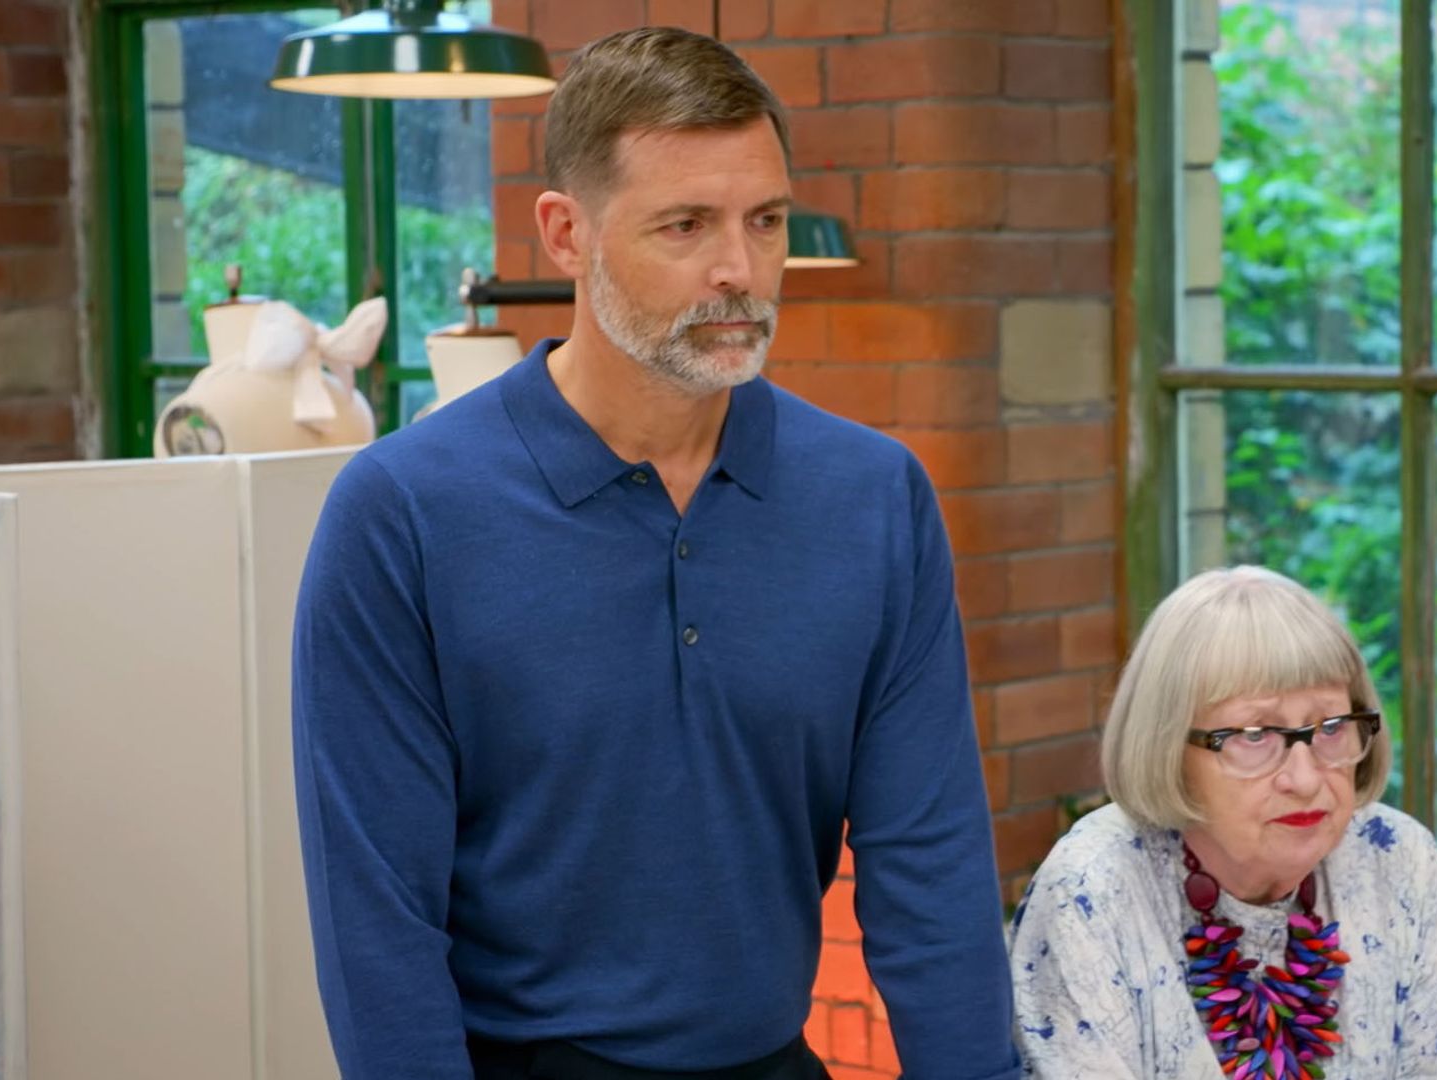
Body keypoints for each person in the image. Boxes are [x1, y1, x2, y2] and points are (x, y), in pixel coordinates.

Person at [292, 27, 1019, 1080]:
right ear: (565, 233)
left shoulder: (874, 497)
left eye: (764, 221)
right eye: (685, 224)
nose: (739, 270)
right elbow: (378, 926)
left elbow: (932, 865)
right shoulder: (401, 512)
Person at [1008, 567, 1437, 1079]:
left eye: (1331, 727)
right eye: (1254, 735)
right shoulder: (1092, 887)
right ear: (1169, 747)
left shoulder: (1397, 858)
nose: (1306, 778)